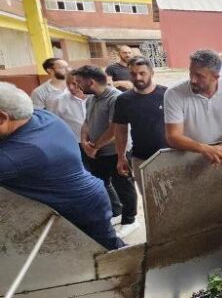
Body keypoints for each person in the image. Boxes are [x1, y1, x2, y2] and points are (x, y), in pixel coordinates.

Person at [0, 82, 124, 250]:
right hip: (87, 197)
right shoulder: (40, 116)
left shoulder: (25, 152)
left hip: (80, 208)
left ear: (2, 118)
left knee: (106, 254)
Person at [72, 65, 138, 237]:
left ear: (91, 82)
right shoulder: (91, 99)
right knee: (102, 183)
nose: (77, 86)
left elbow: (115, 129)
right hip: (96, 151)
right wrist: (85, 142)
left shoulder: (116, 98)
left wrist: (95, 146)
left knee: (124, 185)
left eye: (79, 82)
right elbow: (86, 122)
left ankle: (130, 220)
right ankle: (117, 211)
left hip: (118, 152)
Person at [164, 49, 222, 166]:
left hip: (221, 155)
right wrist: (205, 149)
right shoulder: (174, 93)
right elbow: (173, 136)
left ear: (215, 77)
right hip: (186, 158)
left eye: (199, 76)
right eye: (191, 73)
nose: (192, 80)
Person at [113, 58, 168, 194]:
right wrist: (121, 157)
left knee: (174, 198)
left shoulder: (167, 94)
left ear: (151, 73)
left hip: (169, 156)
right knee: (148, 198)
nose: (138, 77)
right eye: (133, 74)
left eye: (142, 73)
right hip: (141, 158)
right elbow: (120, 130)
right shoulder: (123, 100)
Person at [50, 72, 88, 161]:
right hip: (74, 144)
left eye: (75, 84)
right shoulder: (59, 101)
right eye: (68, 83)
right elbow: (54, 124)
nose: (70, 87)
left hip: (97, 142)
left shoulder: (95, 97)